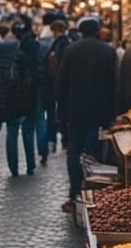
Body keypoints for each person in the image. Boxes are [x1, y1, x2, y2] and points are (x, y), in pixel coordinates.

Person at [54, 19, 118, 213]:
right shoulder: (108, 51)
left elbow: (61, 82)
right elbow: (113, 85)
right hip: (98, 111)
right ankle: (92, 192)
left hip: (75, 111)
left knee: (74, 151)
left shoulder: (71, 50)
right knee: (93, 152)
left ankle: (74, 193)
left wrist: (61, 110)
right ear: (98, 31)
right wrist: (112, 114)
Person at [0, 22, 35, 177]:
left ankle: (13, 168)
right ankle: (30, 165)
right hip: (25, 96)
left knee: (12, 131)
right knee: (28, 131)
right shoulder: (27, 49)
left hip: (6, 96)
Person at [42, 18, 70, 159]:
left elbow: (56, 62)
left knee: (55, 112)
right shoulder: (65, 42)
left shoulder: (60, 43)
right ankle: (62, 139)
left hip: (55, 82)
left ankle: (57, 139)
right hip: (59, 82)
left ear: (56, 30)